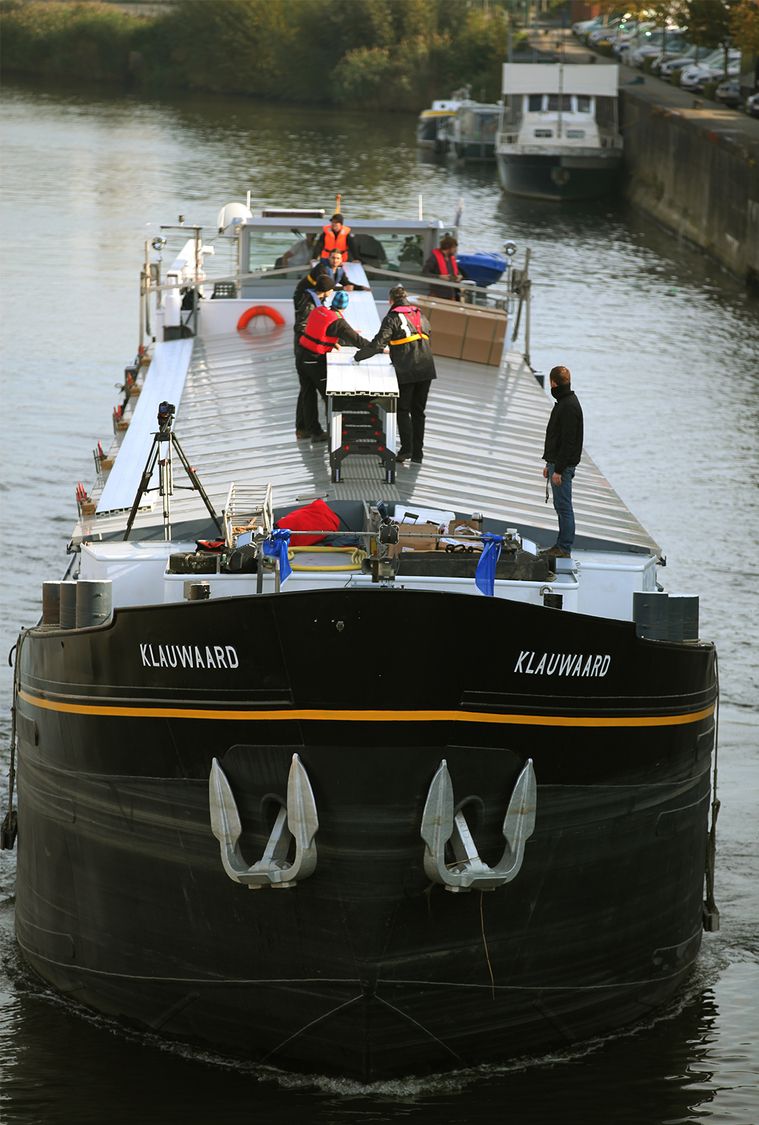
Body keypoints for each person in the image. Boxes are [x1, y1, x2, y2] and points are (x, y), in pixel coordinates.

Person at [354, 285, 436, 464]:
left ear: (391, 301)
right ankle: (417, 454)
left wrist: (358, 357)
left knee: (402, 409)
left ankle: (406, 450)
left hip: (407, 369)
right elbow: (428, 333)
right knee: (418, 412)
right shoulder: (419, 314)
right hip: (427, 367)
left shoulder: (392, 318)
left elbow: (377, 345)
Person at [296, 284, 371, 442]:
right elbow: (358, 341)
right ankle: (337, 434)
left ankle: (314, 432)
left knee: (308, 395)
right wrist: (379, 348)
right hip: (315, 360)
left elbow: (317, 330)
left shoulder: (319, 310)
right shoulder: (339, 322)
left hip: (301, 355)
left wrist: (332, 343)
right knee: (330, 397)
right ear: (345, 307)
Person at [541, 364, 584, 558]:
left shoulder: (567, 406)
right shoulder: (566, 402)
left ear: (553, 383)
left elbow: (568, 443)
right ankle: (560, 545)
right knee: (561, 506)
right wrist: (549, 464)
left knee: (564, 507)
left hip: (562, 467)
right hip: (557, 464)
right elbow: (558, 439)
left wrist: (557, 470)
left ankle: (564, 547)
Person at [422, 234, 463, 300]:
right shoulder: (433, 258)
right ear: (448, 248)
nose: (455, 250)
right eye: (454, 248)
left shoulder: (451, 258)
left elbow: (457, 272)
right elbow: (424, 273)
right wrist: (439, 276)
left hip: (450, 294)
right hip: (437, 294)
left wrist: (459, 276)